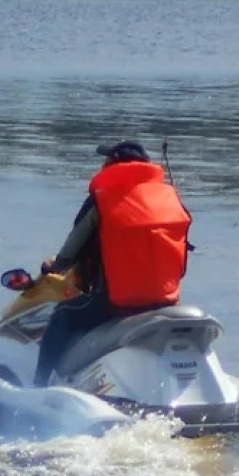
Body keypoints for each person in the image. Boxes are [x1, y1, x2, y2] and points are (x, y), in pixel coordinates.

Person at [33, 141, 193, 386]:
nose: (101, 165)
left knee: (62, 316)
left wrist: (54, 267)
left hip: (114, 304)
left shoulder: (102, 200)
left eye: (106, 160)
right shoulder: (170, 199)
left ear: (112, 165)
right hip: (166, 301)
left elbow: (70, 252)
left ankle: (38, 386)